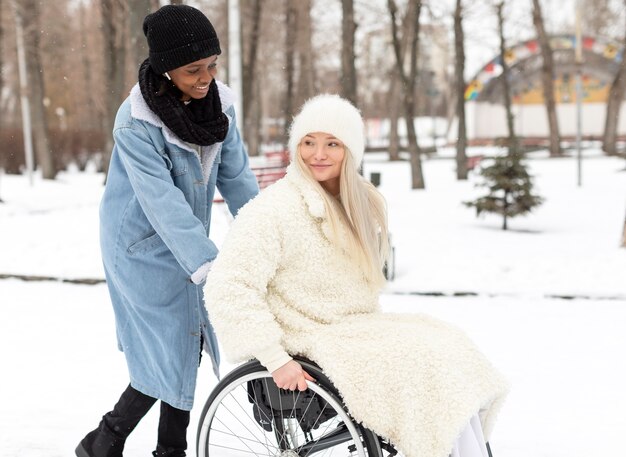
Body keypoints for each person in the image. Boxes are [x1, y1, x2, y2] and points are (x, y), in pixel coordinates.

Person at [204, 94, 509, 457]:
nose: (318, 154)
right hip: (306, 335)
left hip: (353, 327)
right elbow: (229, 287)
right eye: (308, 142)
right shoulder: (272, 210)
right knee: (421, 358)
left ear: (350, 150)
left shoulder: (356, 203)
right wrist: (275, 357)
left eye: (332, 143)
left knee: (447, 346)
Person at [75, 5, 259, 457]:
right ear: (164, 68)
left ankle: (108, 441)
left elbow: (238, 179)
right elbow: (162, 203)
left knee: (182, 346)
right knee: (175, 346)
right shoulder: (136, 121)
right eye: (193, 69)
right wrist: (208, 263)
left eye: (212, 65)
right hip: (141, 247)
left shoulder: (221, 107)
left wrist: (264, 236)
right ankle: (143, 445)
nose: (206, 78)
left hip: (187, 241)